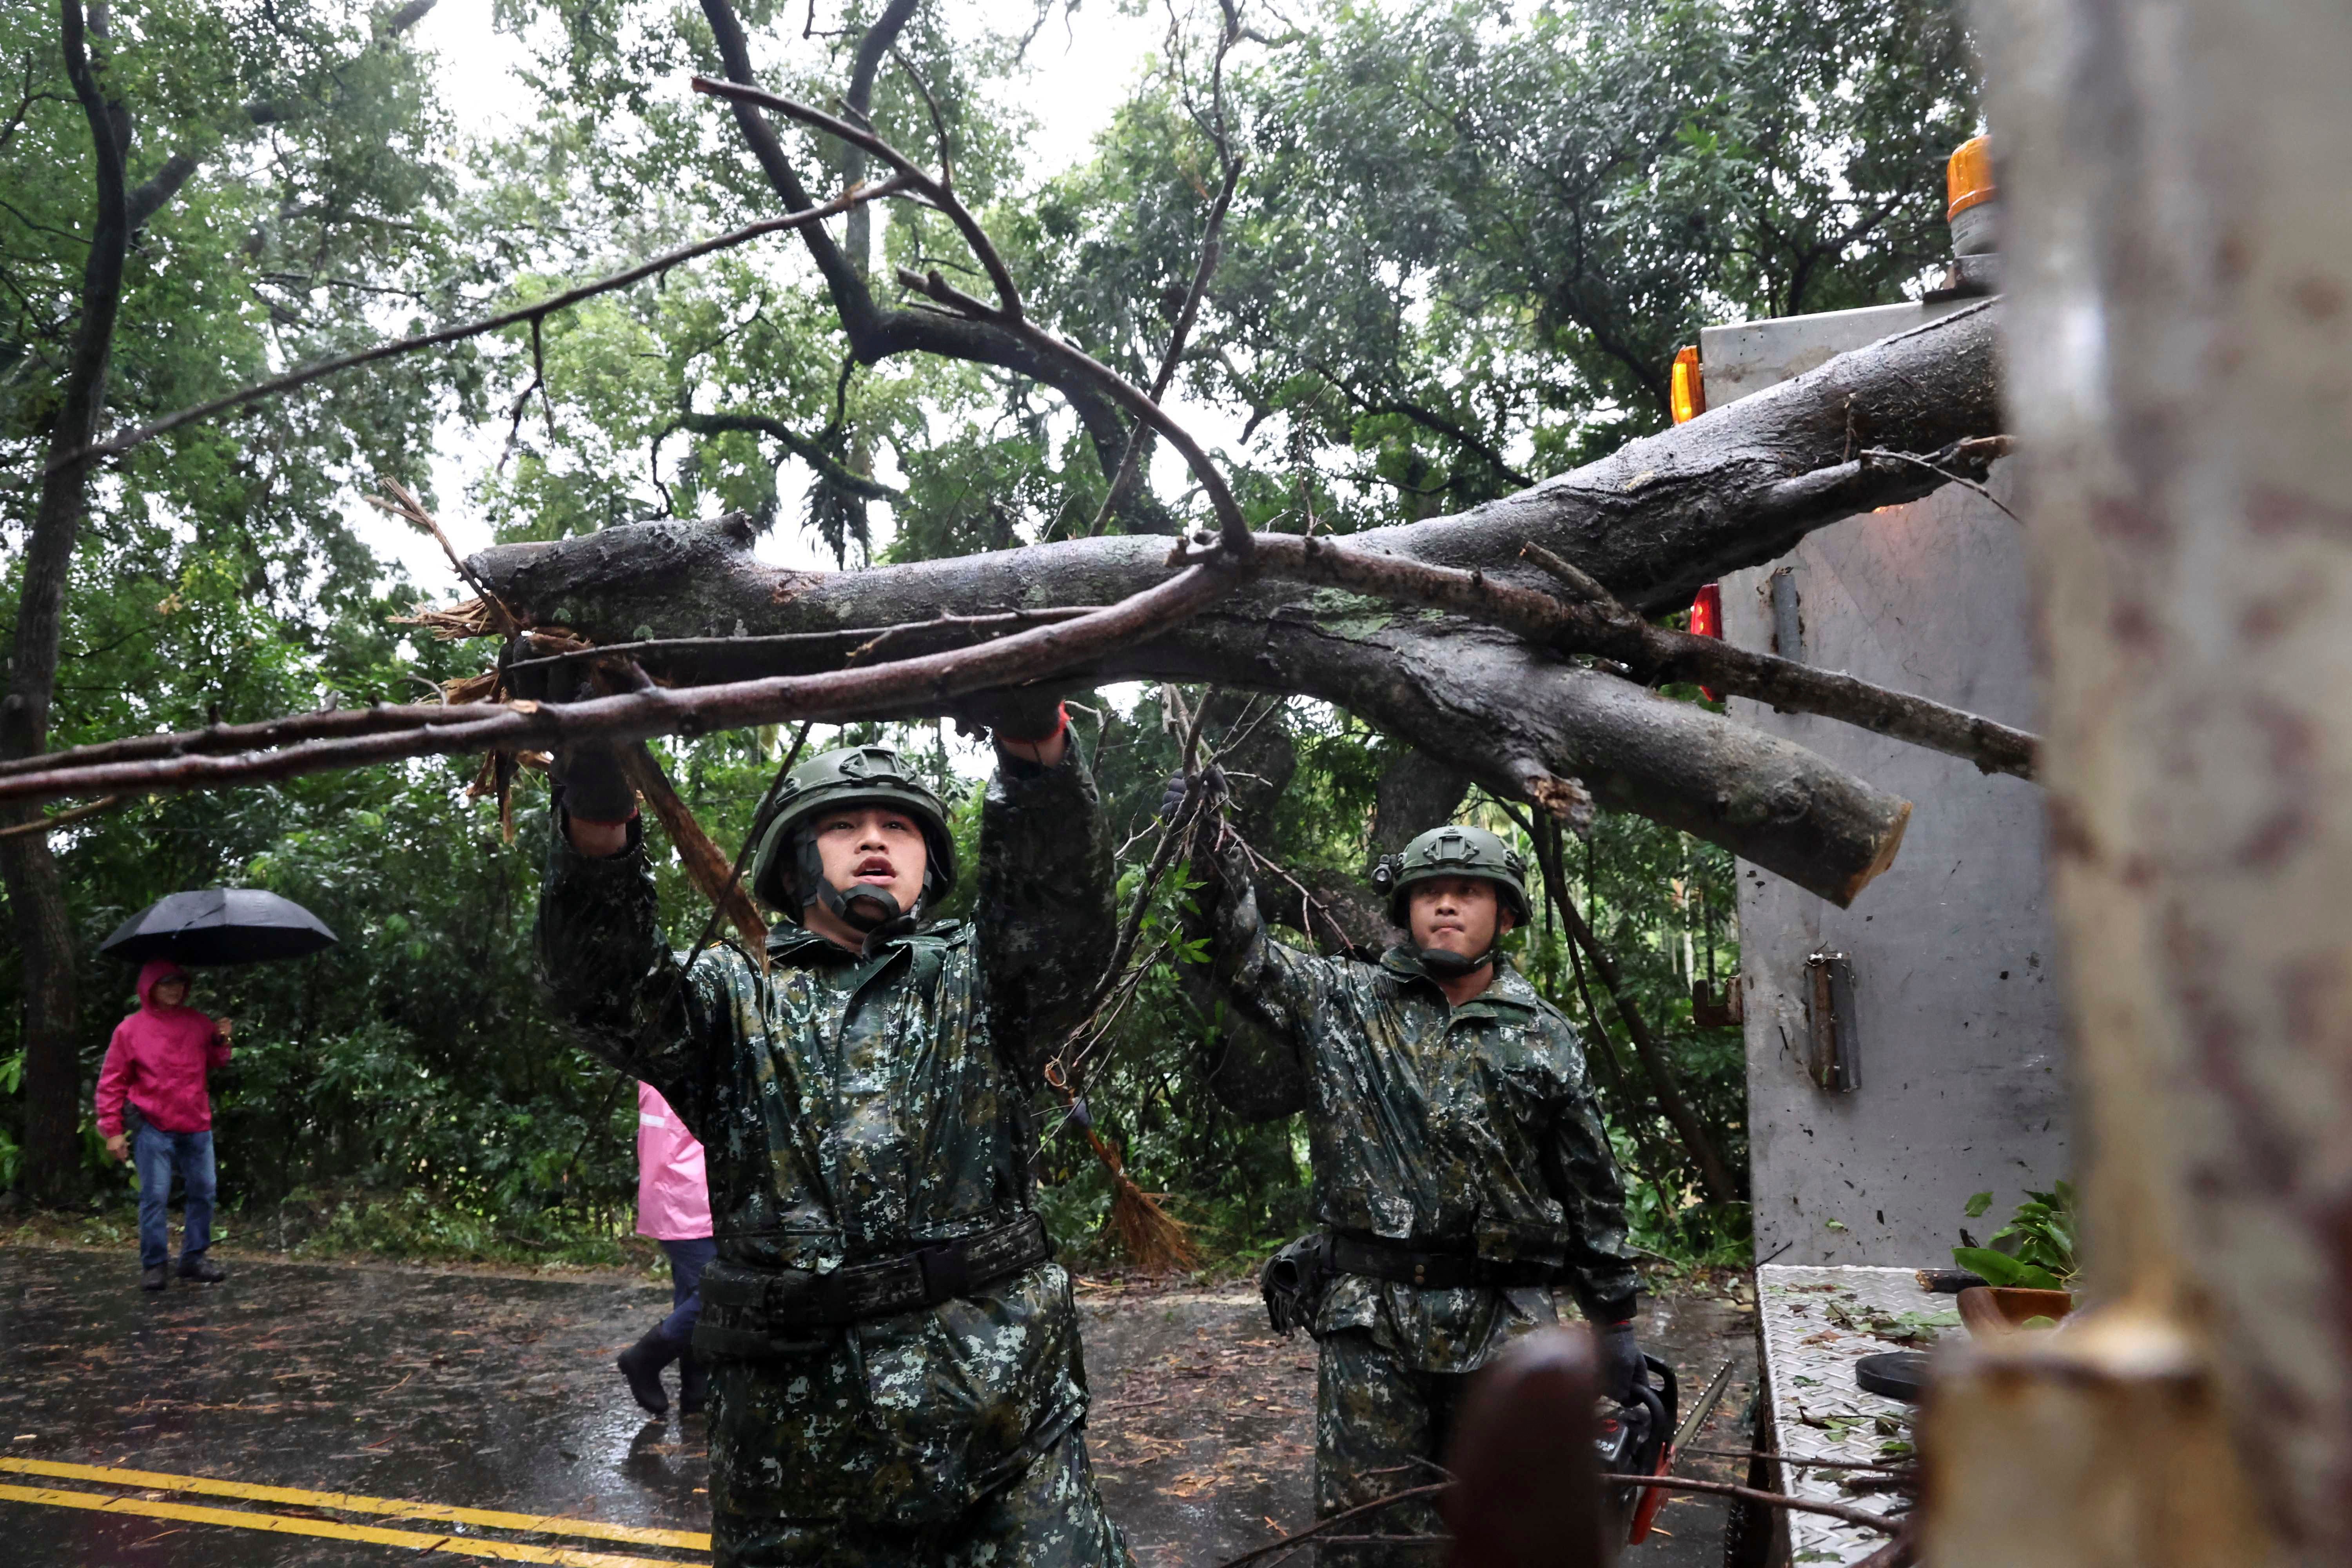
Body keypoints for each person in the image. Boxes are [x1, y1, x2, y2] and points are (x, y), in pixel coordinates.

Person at [536, 696, 1129, 1568]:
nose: (875, 838)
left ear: (931, 862)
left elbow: (1061, 912)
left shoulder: (984, 980)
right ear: (790, 859)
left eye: (900, 823)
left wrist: (1033, 748)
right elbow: (600, 988)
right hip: (794, 1445)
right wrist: (597, 818)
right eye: (843, 824)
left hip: (1004, 1426)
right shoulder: (728, 992)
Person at [1174, 797, 1645, 1567]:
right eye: (1430, 892)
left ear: (1505, 909)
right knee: (1368, 1534)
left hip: (1507, 1321)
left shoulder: (1547, 1035)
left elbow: (1591, 1185)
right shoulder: (1342, 1002)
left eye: (1469, 889)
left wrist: (1615, 1317)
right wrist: (1215, 852)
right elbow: (1244, 958)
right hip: (1374, 1322)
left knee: (1511, 1531)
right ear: (1405, 909)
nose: (1448, 903)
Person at [95, 960, 234, 1291]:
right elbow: (112, 1082)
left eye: (179, 983)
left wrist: (221, 1040)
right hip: (153, 1124)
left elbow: (217, 1062)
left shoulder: (199, 1023)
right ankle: (155, 1264)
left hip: (196, 1123)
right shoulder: (129, 1030)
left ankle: (193, 1259)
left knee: (204, 1192)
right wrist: (113, 1131)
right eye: (165, 983)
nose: (174, 989)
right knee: (155, 1196)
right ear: (149, 987)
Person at [619, 1081, 716, 1419]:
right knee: (718, 1295)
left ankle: (697, 1396)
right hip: (691, 1200)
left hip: (679, 1197)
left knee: (692, 1293)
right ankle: (645, 1359)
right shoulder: (690, 1066)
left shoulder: (657, 1066)